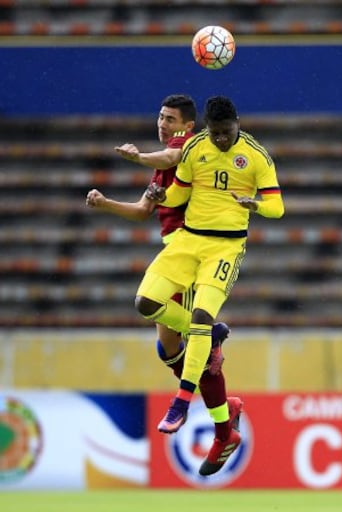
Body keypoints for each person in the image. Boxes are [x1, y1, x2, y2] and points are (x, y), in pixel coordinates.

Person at [86, 94, 243, 475]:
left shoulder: (185, 148)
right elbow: (144, 210)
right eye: (160, 116)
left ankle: (223, 427)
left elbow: (172, 158)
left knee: (184, 343)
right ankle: (227, 416)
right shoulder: (165, 164)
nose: (163, 123)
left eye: (170, 119)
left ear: (188, 126)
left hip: (192, 253)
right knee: (170, 348)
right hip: (173, 252)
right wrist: (105, 203)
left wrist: (138, 157)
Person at [136, 95, 285, 475]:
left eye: (226, 133)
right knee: (153, 315)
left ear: (237, 124)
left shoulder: (254, 155)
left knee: (190, 331)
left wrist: (255, 205)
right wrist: (159, 196)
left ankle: (186, 403)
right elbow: (177, 193)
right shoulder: (193, 148)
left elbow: (277, 207)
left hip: (223, 246)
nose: (220, 140)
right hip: (186, 242)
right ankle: (224, 422)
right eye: (215, 133)